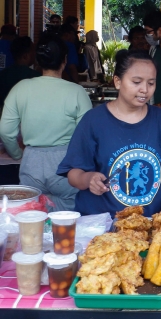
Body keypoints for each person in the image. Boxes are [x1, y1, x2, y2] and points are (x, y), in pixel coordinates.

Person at [57, 50, 161, 218]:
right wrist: (89, 179)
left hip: (146, 223)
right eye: (137, 82)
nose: (145, 90)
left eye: (151, 83)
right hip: (101, 224)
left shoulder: (159, 118)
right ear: (117, 81)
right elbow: (73, 174)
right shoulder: (94, 120)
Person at [0, 34, 92, 211]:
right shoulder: (76, 91)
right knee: (66, 217)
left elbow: (5, 130)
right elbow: (87, 136)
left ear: (38, 60)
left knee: (32, 214)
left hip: (31, 161)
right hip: (66, 164)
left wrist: (18, 154)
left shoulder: (20, 88)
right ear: (64, 61)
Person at [0, 36, 40, 107]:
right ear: (25, 56)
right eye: (33, 51)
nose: (35, 54)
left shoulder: (3, 75)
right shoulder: (36, 76)